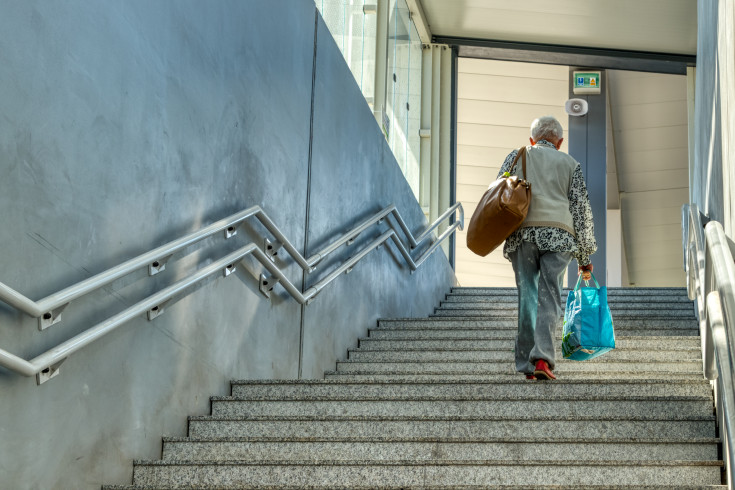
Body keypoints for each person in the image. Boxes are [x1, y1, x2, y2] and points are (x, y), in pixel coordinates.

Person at [496, 116, 596, 381]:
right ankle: (542, 358)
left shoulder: (517, 156)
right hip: (560, 235)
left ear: (532, 139)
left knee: (527, 295)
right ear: (559, 142)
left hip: (524, 233)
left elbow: (498, 191)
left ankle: (526, 363)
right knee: (550, 294)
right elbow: (581, 211)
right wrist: (584, 257)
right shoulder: (571, 164)